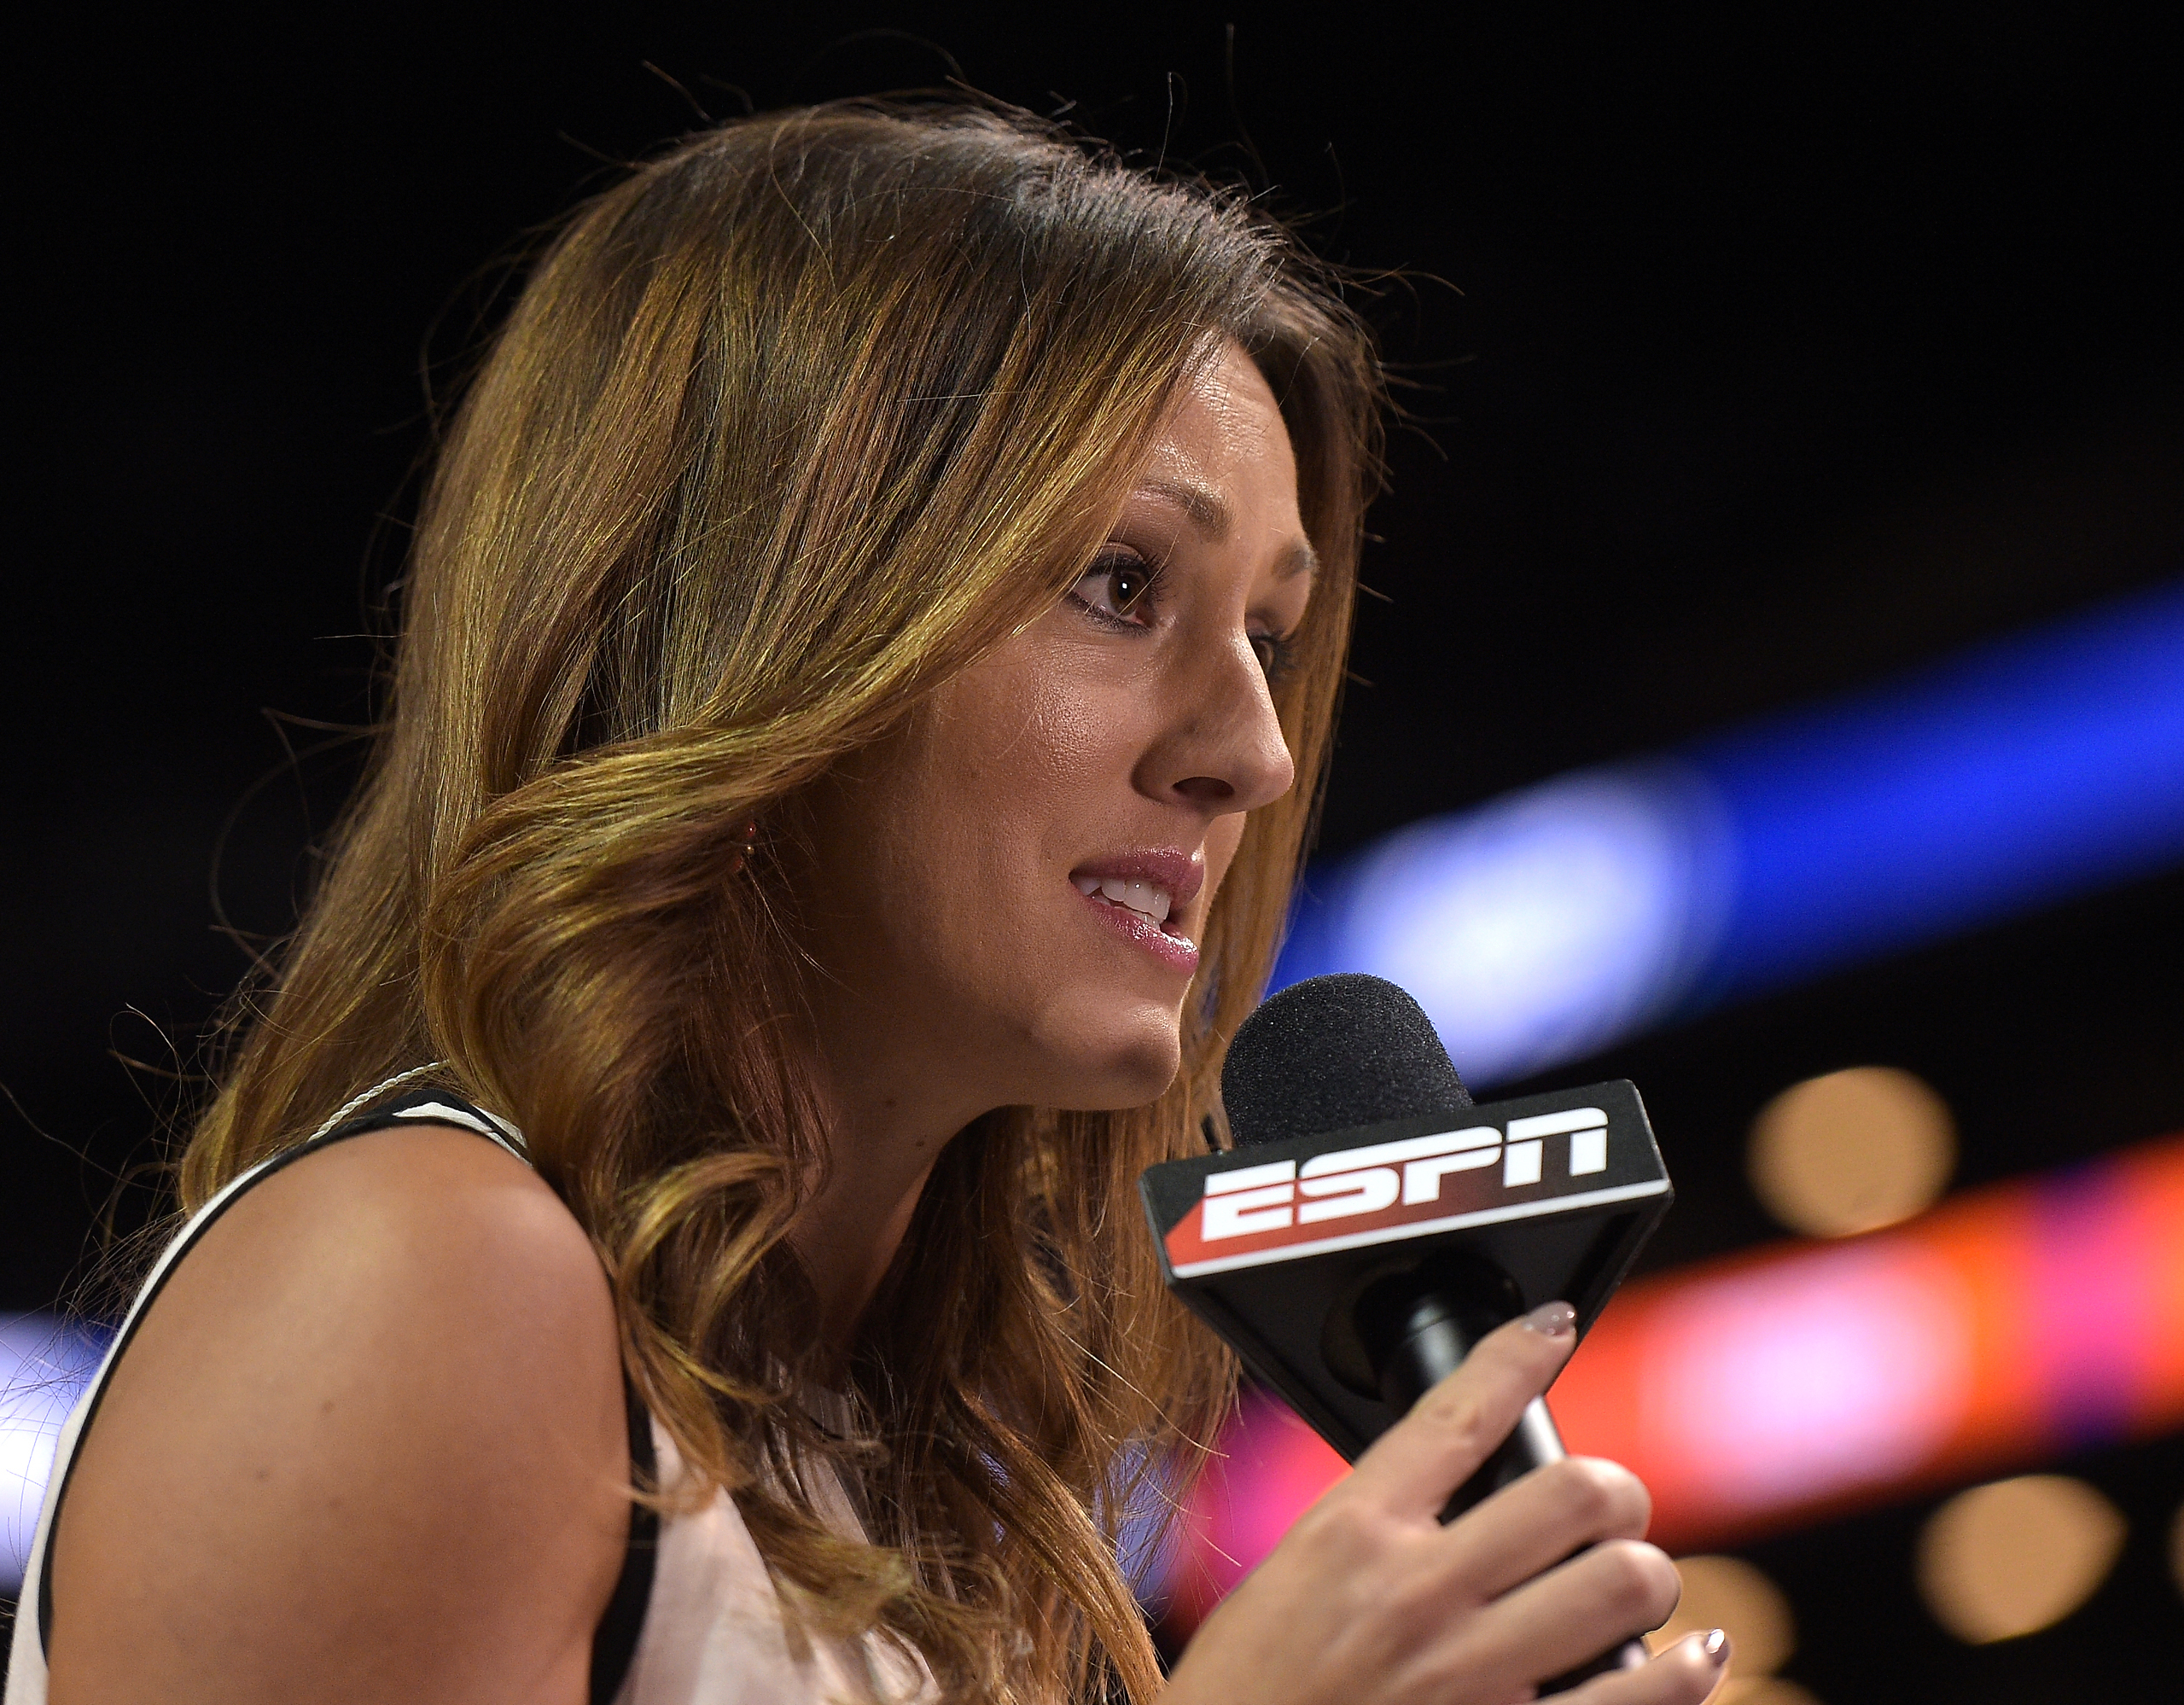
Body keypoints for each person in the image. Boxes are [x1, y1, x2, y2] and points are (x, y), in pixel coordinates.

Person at [12, 100, 1733, 1705]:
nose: (1255, 754)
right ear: (776, 620)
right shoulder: (425, 1275)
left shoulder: (910, 1468)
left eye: (1269, 638)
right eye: (1120, 583)